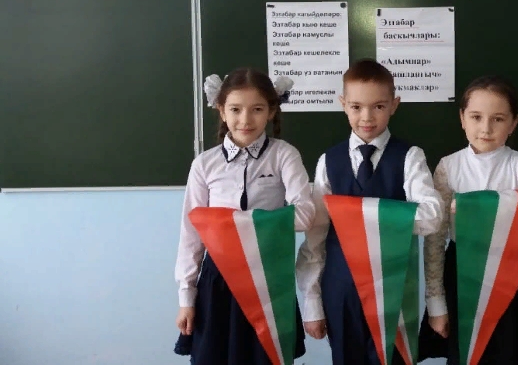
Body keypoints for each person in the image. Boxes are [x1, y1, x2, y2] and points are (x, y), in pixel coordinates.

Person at [296, 59, 444, 365]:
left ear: (394, 105)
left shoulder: (410, 157)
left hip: (393, 290)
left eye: (378, 106)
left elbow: (432, 216)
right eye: (356, 107)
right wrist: (311, 304)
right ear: (343, 105)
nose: (367, 117)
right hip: (340, 289)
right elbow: (315, 238)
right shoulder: (328, 161)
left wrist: (362, 216)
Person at [173, 67, 315, 365]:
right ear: (221, 111)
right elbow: (192, 234)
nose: (246, 119)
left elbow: (304, 215)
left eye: (257, 109)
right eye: (236, 109)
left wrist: (235, 225)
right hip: (218, 281)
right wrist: (186, 297)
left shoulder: (284, 155)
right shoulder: (205, 164)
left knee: (267, 357)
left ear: (271, 111)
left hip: (269, 279)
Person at [418, 75, 518, 364]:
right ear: (462, 118)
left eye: (498, 119)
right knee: (466, 353)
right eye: (476, 117)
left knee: (512, 352)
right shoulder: (449, 166)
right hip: (460, 273)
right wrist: (436, 303)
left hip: (510, 275)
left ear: (513, 123)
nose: (486, 128)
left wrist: (474, 207)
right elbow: (435, 239)